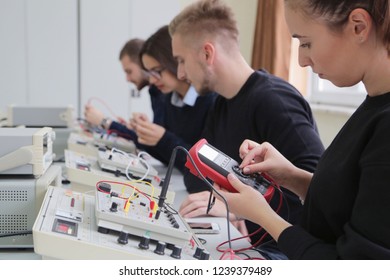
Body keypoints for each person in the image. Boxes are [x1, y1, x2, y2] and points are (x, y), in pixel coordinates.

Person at [214, 0, 390, 259]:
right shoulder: (374, 104)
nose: (301, 60)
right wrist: (292, 177)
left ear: (358, 27)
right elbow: (354, 205)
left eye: (306, 43)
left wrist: (264, 216)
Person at [169, 0, 325, 257]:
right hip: (260, 243)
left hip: (294, 252)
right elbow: (195, 175)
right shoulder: (222, 103)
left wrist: (238, 209)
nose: (180, 73)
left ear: (207, 54)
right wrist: (228, 204)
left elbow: (321, 200)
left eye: (181, 60)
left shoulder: (274, 101)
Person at [132, 25, 216, 172]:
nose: (151, 81)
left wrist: (163, 138)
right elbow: (167, 155)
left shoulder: (211, 100)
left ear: (175, 61)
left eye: (157, 72)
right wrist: (145, 133)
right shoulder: (168, 97)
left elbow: (206, 166)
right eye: (149, 73)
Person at [84, 38, 166, 139]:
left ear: (143, 64)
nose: (127, 79)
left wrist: (104, 122)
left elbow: (154, 144)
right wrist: (142, 128)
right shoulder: (154, 91)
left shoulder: (162, 91)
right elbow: (155, 142)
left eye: (129, 71)